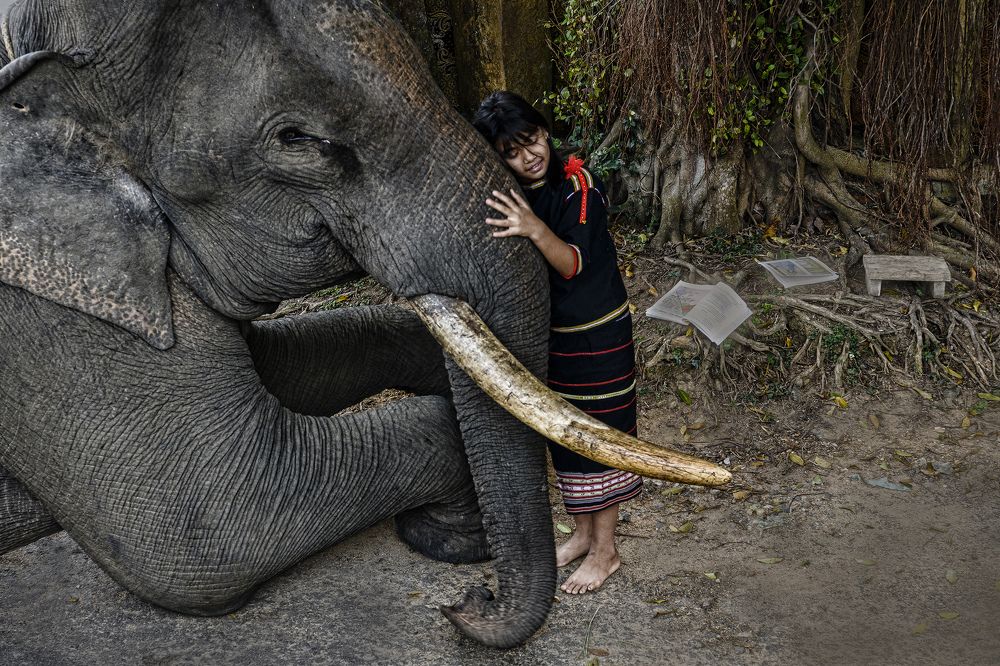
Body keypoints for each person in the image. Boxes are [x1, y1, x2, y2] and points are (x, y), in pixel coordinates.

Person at [472, 91, 642, 595]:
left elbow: (571, 262)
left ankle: (607, 551)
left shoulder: (578, 184)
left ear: (546, 131)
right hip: (556, 337)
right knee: (566, 436)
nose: (530, 155)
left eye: (533, 140)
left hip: (599, 333)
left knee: (599, 437)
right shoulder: (520, 191)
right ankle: (585, 534)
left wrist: (532, 227)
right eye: (513, 151)